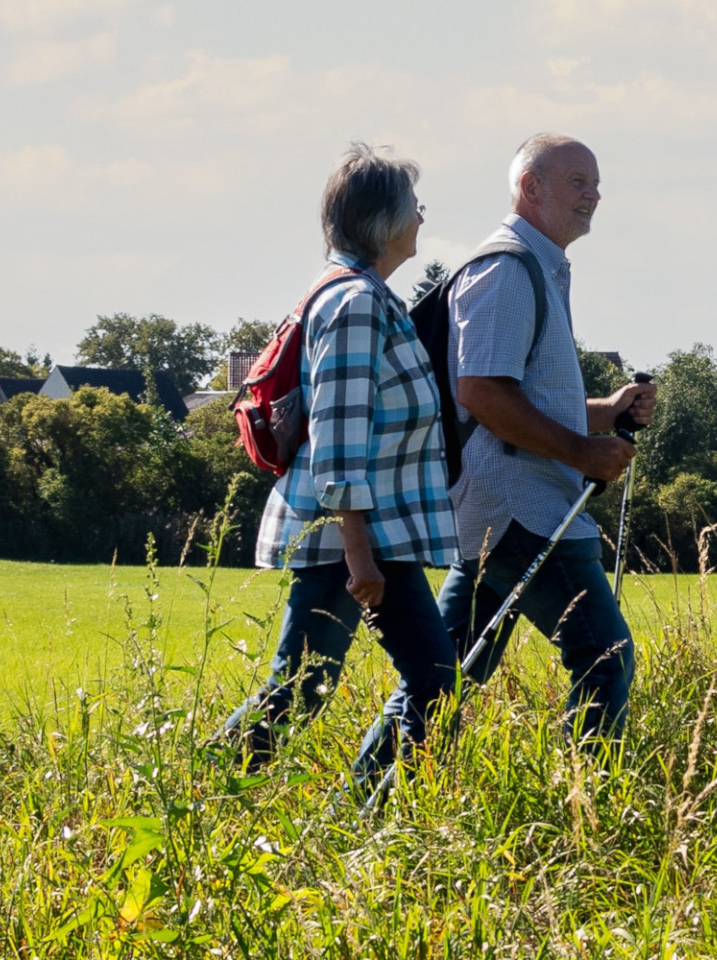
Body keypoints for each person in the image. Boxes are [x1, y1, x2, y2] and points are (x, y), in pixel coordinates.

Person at [218, 143, 458, 789]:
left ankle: (340, 808)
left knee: (311, 688)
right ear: (384, 221)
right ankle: (210, 793)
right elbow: (340, 429)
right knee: (413, 683)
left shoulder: (357, 294)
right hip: (353, 537)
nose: (422, 218)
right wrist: (358, 553)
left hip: (364, 534)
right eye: (415, 206)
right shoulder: (356, 303)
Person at [436, 133, 656, 742]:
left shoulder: (535, 267)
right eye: (578, 181)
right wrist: (582, 452)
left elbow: (521, 400)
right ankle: (583, 793)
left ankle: (373, 786)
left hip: (503, 508)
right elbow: (482, 393)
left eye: (596, 183)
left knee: (443, 676)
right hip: (524, 509)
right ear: (530, 187)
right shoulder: (508, 269)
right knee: (605, 658)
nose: (594, 195)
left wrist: (606, 412)